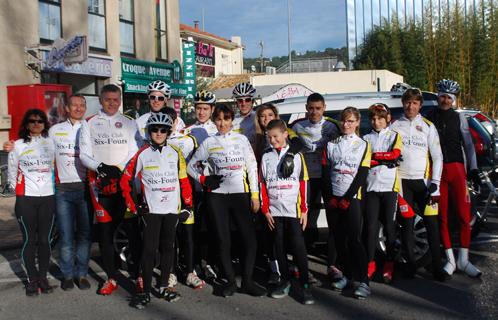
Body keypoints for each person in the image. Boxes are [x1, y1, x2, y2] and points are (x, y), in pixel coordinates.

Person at [3, 95, 93, 291]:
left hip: (81, 188)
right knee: (64, 235)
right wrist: (10, 146)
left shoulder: (89, 127)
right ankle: (66, 275)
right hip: (57, 191)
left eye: (81, 105)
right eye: (74, 105)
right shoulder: (54, 132)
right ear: (66, 108)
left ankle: (79, 274)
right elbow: (15, 166)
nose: (78, 108)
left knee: (83, 235)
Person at [187, 104, 266, 297]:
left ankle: (247, 281)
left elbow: (251, 167)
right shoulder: (209, 142)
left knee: (249, 239)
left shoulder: (241, 139)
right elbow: (190, 166)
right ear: (214, 121)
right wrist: (204, 179)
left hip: (240, 194)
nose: (222, 123)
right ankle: (230, 281)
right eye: (219, 119)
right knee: (223, 240)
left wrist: (255, 195)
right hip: (217, 197)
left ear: (232, 120)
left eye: (227, 119)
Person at [121, 112, 193, 309]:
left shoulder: (175, 153)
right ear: (149, 131)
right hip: (151, 211)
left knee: (168, 248)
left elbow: (183, 181)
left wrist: (188, 206)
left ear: (169, 132)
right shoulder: (141, 154)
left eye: (163, 130)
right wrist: (134, 205)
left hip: (171, 210)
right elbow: (125, 181)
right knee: (149, 250)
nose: (159, 133)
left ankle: (162, 286)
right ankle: (144, 292)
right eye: (155, 129)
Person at [79, 84, 143, 295]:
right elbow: (84, 155)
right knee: (106, 234)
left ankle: (138, 275)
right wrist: (101, 168)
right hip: (100, 185)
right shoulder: (89, 123)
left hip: (124, 185)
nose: (112, 103)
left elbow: (135, 151)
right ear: (100, 99)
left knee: (133, 232)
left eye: (116, 99)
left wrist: (118, 169)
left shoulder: (129, 122)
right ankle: (112, 278)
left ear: (120, 100)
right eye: (108, 99)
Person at [426, 79, 482, 278]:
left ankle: (464, 260)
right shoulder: (429, 117)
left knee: (464, 216)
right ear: (438, 96)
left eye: (449, 97)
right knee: (442, 217)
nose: (445, 100)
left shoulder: (460, 118)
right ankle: (450, 259)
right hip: (437, 171)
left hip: (458, 169)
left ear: (454, 100)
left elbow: (468, 146)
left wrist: (473, 169)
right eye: (442, 96)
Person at [390, 88, 446, 281]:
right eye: (407, 102)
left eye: (414, 103)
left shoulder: (428, 126)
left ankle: (438, 267)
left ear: (420, 105)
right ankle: (410, 265)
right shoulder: (394, 125)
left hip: (424, 183)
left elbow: (438, 157)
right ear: (403, 104)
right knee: (406, 224)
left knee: (432, 224)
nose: (410, 106)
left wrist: (435, 183)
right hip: (402, 181)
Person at [259, 119, 314, 305]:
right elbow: (262, 184)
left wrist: (304, 209)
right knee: (279, 246)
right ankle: (285, 280)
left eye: (276, 136)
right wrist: (265, 210)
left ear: (285, 135)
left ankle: (305, 285)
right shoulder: (266, 156)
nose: (273, 140)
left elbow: (304, 182)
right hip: (275, 210)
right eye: (269, 137)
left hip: (293, 210)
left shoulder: (296, 155)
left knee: (298, 247)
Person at [322, 107, 371, 299]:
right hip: (334, 198)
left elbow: (362, 174)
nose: (346, 125)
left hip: (352, 198)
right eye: (343, 121)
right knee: (338, 239)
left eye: (350, 121)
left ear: (357, 122)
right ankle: (348, 275)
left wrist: (347, 198)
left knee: (355, 240)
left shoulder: (363, 145)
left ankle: (364, 281)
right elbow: (326, 173)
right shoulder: (330, 144)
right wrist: (331, 198)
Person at [8, 109, 56, 296]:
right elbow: (12, 172)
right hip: (26, 199)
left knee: (45, 240)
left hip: (48, 197)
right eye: (32, 121)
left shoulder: (51, 143)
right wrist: (18, 191)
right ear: (26, 124)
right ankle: (31, 280)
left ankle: (42, 277)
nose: (36, 124)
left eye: (40, 121)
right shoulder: (17, 145)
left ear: (45, 124)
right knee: (29, 240)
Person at [290, 93, 340, 258]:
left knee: (333, 220)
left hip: (328, 178)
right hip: (306, 178)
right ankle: (301, 257)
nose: (314, 112)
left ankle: (333, 263)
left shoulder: (333, 126)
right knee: (304, 218)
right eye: (311, 108)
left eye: (318, 108)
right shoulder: (297, 126)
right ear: (306, 108)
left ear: (324, 108)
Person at [161, 107, 205, 289]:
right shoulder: (154, 140)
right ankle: (170, 272)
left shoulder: (186, 138)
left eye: (170, 120)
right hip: (166, 195)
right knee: (169, 236)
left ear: (175, 120)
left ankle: (189, 272)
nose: (167, 124)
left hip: (185, 192)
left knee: (188, 235)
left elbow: (200, 159)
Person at [362, 103, 402, 283]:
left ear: (387, 119)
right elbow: (365, 161)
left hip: (389, 188)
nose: (376, 122)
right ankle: (370, 263)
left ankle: (389, 264)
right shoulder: (365, 138)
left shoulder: (394, 135)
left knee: (389, 228)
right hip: (371, 187)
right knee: (370, 228)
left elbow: (395, 155)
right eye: (373, 118)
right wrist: (383, 159)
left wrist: (377, 158)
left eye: (380, 118)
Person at [183, 90, 219, 280]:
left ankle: (211, 262)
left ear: (212, 109)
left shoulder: (218, 129)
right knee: (196, 228)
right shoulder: (187, 130)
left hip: (214, 186)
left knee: (213, 227)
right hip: (195, 186)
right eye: (198, 108)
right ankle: (196, 263)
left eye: (205, 108)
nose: (202, 112)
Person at [232, 82, 257, 146]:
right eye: (240, 100)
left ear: (253, 101)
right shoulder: (232, 120)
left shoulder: (258, 118)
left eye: (247, 100)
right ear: (236, 102)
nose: (243, 104)